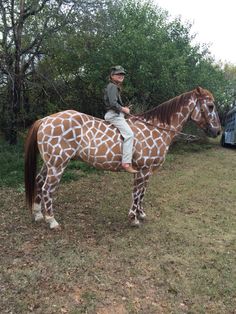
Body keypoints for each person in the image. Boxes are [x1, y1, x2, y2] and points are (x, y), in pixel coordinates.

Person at [104, 65, 137, 174]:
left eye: (122, 74)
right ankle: (126, 163)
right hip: (114, 115)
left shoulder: (113, 86)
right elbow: (113, 103)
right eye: (118, 74)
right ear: (112, 75)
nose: (121, 76)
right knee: (129, 134)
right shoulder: (112, 86)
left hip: (116, 114)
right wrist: (124, 109)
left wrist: (124, 109)